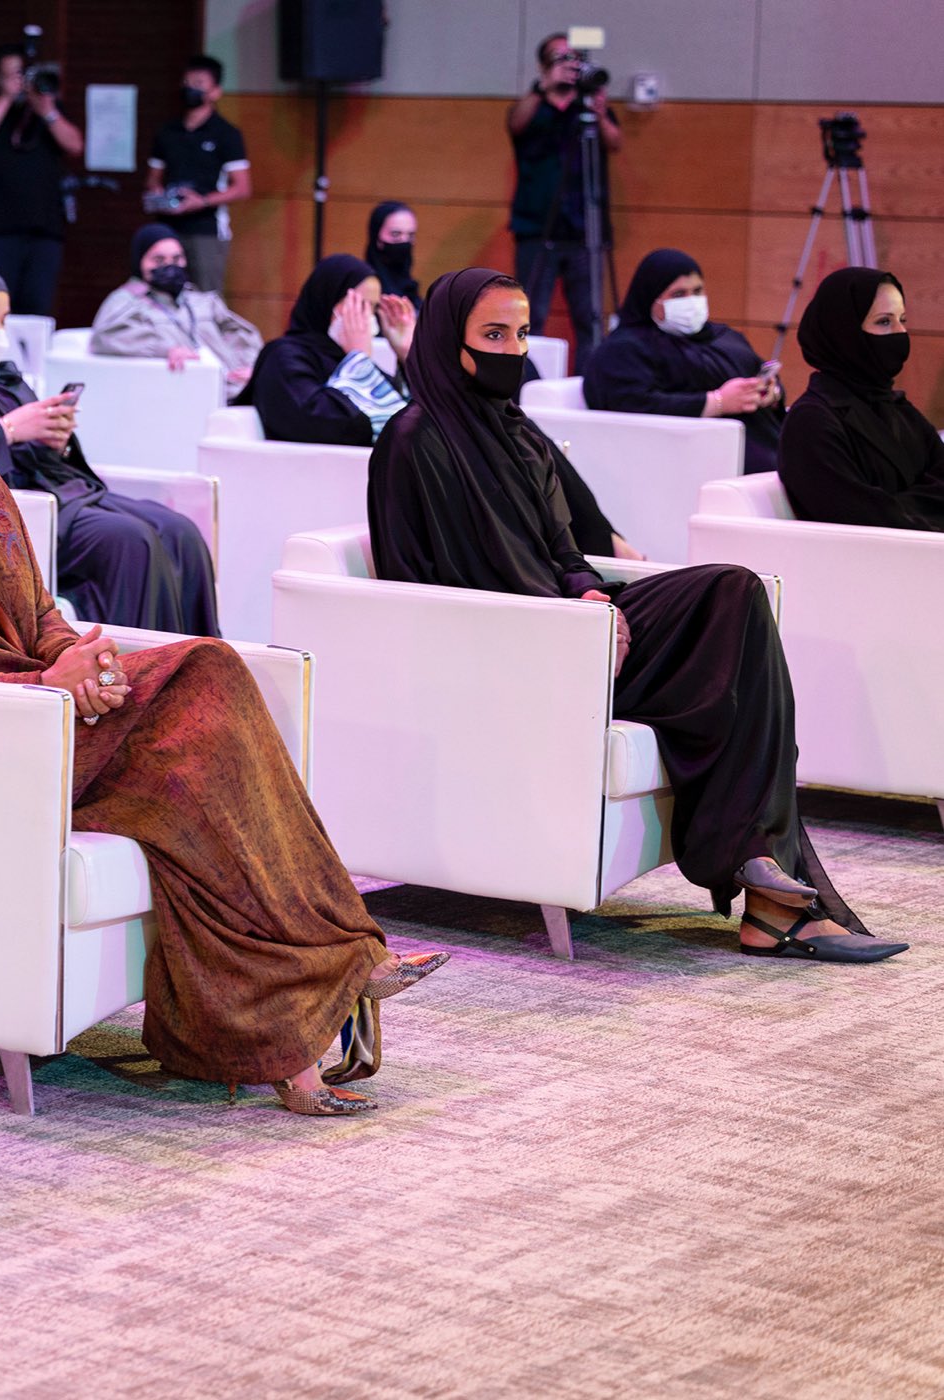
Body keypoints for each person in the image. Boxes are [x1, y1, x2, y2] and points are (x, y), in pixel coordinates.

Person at [0, 265, 449, 1112]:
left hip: (39, 717)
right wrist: (45, 684)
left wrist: (79, 661)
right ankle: (338, 964)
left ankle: (291, 1031)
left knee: (197, 740)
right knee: (202, 680)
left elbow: (37, 615)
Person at [370, 268, 901, 963]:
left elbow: (564, 550)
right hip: (514, 653)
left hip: (578, 629)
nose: (513, 350)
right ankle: (771, 900)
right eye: (493, 334)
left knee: (731, 593)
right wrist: (568, 622)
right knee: (724, 669)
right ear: (448, 342)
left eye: (522, 333)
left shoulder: (516, 433)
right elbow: (418, 593)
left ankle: (764, 883)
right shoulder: (412, 442)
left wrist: (589, 595)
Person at [0, 255, 218, 636]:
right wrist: (8, 430)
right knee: (130, 540)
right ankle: (133, 668)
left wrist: (58, 438)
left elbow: (38, 441)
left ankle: (196, 660)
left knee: (181, 531)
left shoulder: (4, 377)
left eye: (3, 321)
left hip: (63, 488)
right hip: (23, 503)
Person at [584, 249, 785, 477]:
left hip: (767, 442)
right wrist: (717, 402)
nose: (691, 301)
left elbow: (758, 370)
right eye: (679, 295)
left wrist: (770, 392)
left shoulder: (723, 336)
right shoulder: (623, 350)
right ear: (651, 297)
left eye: (697, 291)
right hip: (689, 460)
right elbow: (632, 405)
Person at [778, 266, 943, 531]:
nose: (900, 333)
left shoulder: (898, 408)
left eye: (903, 319)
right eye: (884, 322)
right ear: (844, 331)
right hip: (866, 563)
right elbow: (858, 517)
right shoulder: (811, 421)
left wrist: (899, 506)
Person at [507, 32, 622, 363]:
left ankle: (590, 386)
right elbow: (515, 125)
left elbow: (614, 143)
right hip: (536, 227)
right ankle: (527, 387)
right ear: (543, 66)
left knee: (590, 318)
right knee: (530, 316)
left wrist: (599, 112)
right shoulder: (533, 105)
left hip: (585, 230)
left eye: (573, 59)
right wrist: (542, 88)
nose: (569, 66)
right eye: (560, 59)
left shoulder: (587, 106)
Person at [0, 43, 84, 316]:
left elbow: (75, 145)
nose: (21, 81)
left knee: (38, 311)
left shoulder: (50, 109)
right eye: (13, 75)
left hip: (44, 231)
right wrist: (6, 98)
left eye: (25, 74)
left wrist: (47, 110)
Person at [249, 255, 415, 446]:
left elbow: (409, 419)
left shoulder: (343, 357)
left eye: (374, 307)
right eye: (360, 305)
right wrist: (358, 363)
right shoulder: (284, 356)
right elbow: (323, 424)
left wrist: (408, 356)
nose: (368, 316)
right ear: (327, 300)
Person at [91, 224, 262, 396]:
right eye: (159, 260)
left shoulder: (201, 300)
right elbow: (106, 336)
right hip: (175, 392)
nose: (169, 266)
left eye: (176, 259)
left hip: (231, 389)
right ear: (140, 261)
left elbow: (242, 335)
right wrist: (165, 349)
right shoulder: (126, 300)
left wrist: (250, 366)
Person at [145, 55, 250, 299]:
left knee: (205, 298)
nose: (190, 88)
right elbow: (153, 178)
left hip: (207, 230)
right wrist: (158, 194)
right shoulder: (167, 132)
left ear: (215, 92)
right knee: (162, 296)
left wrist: (200, 201)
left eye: (199, 83)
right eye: (187, 82)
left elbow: (243, 188)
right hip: (167, 228)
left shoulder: (227, 134)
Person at [364, 200, 419, 304]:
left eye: (410, 235)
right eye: (395, 234)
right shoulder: (365, 287)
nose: (404, 241)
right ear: (377, 238)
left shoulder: (411, 287)